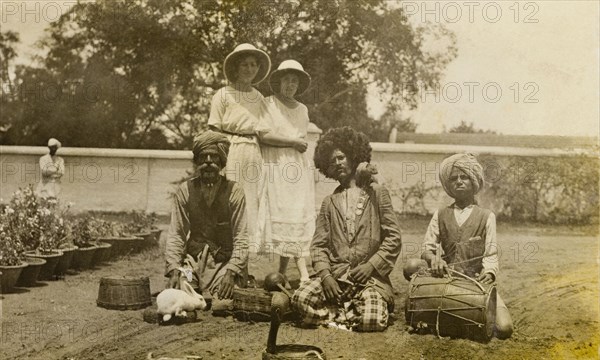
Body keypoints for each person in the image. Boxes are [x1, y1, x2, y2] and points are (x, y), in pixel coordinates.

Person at [291, 127, 402, 332]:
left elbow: (394, 238)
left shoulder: (377, 193)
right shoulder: (328, 202)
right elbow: (318, 246)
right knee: (300, 299)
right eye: (332, 161)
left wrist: (370, 266)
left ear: (354, 156)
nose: (337, 163)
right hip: (336, 278)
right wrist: (326, 277)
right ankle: (346, 314)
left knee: (371, 320)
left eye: (341, 157)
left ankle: (339, 314)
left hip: (371, 279)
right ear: (326, 167)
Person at [403, 153, 513, 339]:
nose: (459, 182)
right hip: (444, 276)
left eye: (465, 177)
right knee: (411, 266)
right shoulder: (441, 214)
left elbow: (491, 255)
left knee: (504, 327)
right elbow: (427, 248)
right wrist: (434, 258)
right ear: (449, 185)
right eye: (454, 178)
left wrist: (489, 273)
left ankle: (450, 319)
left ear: (474, 182)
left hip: (473, 281)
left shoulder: (487, 216)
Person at [164, 130, 249, 301]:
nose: (208, 162)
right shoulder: (185, 191)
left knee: (223, 301)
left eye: (214, 157)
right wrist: (173, 268)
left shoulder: (234, 192)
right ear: (197, 161)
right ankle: (189, 284)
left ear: (222, 161)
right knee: (183, 288)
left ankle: (226, 285)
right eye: (203, 157)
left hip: (223, 264)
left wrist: (232, 271)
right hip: (192, 263)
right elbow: (176, 234)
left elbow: (242, 237)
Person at [208, 43, 271, 253]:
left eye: (254, 65)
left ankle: (244, 263)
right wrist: (216, 160)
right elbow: (213, 130)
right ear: (236, 67)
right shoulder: (223, 95)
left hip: (253, 151)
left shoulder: (259, 97)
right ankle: (223, 258)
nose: (249, 69)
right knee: (228, 201)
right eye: (245, 64)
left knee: (249, 204)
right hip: (230, 150)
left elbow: (264, 131)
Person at [257, 60, 315, 286]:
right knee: (284, 215)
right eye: (286, 80)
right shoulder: (268, 104)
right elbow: (264, 135)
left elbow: (302, 141)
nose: (290, 84)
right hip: (277, 166)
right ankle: (303, 274)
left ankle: (288, 271)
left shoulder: (303, 109)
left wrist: (296, 145)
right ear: (279, 82)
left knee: (297, 215)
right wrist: (291, 141)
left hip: (298, 168)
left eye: (294, 80)